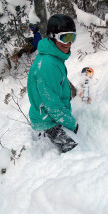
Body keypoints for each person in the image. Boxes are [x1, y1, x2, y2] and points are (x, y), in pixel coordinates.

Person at [27, 14, 79, 153]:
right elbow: (53, 106)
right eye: (65, 37)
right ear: (52, 36)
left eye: (72, 38)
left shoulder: (53, 58)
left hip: (51, 116)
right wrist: (73, 124)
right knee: (75, 154)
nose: (69, 43)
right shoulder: (48, 64)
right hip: (49, 122)